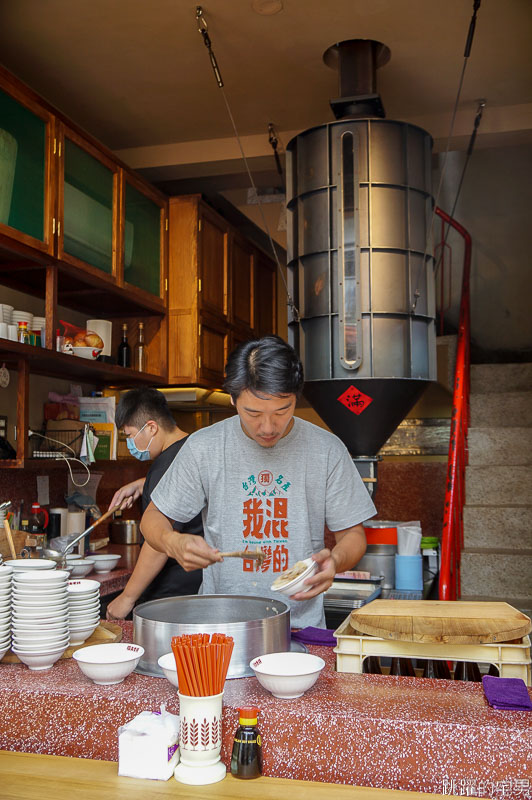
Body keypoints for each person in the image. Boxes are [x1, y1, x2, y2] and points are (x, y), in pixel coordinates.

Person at [141, 335, 376, 628]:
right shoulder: (204, 447)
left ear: (296, 398)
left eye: (282, 411)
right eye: (253, 413)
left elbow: (353, 537)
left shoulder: (326, 449)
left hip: (299, 625)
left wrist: (336, 561)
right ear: (232, 399)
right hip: (221, 624)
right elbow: (153, 518)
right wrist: (171, 541)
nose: (268, 427)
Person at [105, 388, 203, 620]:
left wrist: (127, 597)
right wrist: (143, 483)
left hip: (171, 591)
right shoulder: (194, 448)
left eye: (129, 436)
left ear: (151, 427)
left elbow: (158, 541)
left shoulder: (165, 465)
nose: (130, 443)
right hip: (194, 584)